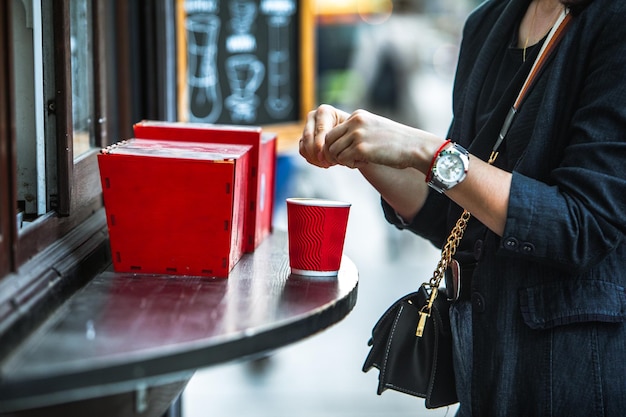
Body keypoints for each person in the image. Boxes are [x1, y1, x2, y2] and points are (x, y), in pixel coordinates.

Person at [298, 0, 626, 416]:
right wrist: (364, 149)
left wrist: (426, 151)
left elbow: (582, 224)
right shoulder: (489, 23)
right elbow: (459, 217)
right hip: (484, 364)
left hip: (573, 375)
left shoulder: (613, 22)